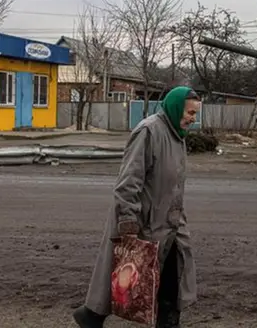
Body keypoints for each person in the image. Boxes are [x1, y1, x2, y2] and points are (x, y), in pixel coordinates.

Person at [72, 86, 201, 328]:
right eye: (190, 113)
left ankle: (93, 316)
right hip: (147, 221)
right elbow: (128, 182)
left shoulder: (176, 135)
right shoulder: (149, 131)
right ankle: (92, 315)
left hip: (171, 223)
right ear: (175, 108)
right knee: (132, 278)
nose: (193, 119)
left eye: (195, 114)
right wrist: (128, 222)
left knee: (169, 280)